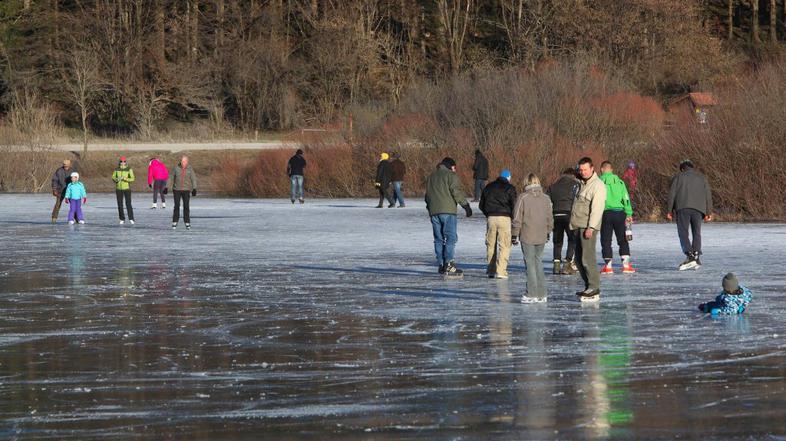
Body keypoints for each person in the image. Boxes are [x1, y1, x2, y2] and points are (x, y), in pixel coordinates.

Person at [425, 157, 472, 275]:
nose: (455, 170)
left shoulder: (431, 177)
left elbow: (427, 195)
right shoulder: (450, 175)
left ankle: (441, 264)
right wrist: (465, 206)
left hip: (434, 212)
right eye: (454, 167)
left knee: (438, 239)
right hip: (448, 211)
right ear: (450, 166)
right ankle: (449, 264)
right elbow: (456, 191)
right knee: (450, 237)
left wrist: (430, 208)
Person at [569, 157, 607, 300]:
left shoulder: (597, 185)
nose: (583, 172)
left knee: (587, 258)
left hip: (588, 227)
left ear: (592, 168)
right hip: (577, 225)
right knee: (578, 259)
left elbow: (597, 209)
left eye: (585, 169)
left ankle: (594, 287)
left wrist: (591, 227)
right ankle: (588, 286)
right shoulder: (580, 184)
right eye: (581, 170)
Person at [512, 174, 553, 303]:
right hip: (541, 234)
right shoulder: (546, 198)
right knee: (538, 262)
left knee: (530, 264)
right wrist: (548, 231)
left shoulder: (523, 197)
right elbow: (549, 217)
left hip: (527, 234)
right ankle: (542, 293)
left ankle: (531, 293)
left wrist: (514, 234)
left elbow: (517, 217)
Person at [666, 159, 713, 270]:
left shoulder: (678, 177)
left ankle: (690, 255)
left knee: (683, 232)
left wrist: (669, 211)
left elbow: (672, 195)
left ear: (682, 168)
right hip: (698, 209)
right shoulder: (701, 178)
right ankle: (696, 255)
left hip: (683, 208)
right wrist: (708, 212)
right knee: (697, 232)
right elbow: (708, 195)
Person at [479, 169, 517, 279]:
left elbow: (481, 205)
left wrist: (488, 214)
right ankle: (501, 271)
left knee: (491, 245)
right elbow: (514, 205)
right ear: (508, 178)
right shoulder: (510, 188)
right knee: (504, 245)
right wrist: (512, 217)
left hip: (491, 218)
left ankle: (491, 270)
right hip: (505, 218)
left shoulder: (488, 187)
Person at [599, 161, 635, 274]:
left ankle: (608, 266)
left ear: (601, 169)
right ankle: (626, 265)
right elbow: (626, 198)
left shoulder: (599, 182)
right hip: (620, 213)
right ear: (612, 169)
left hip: (605, 213)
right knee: (623, 239)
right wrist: (629, 213)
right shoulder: (620, 182)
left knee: (606, 240)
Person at [547, 167, 579, 275]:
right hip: (569, 214)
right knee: (572, 239)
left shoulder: (553, 186)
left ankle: (556, 265)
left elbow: (547, 201)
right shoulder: (575, 184)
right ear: (573, 175)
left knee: (557, 241)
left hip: (556, 214)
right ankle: (567, 264)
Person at [169, 156, 198, 230]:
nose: (183, 163)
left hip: (186, 190)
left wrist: (194, 188)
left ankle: (187, 222)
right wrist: (166, 187)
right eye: (182, 161)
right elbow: (171, 177)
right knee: (176, 206)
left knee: (186, 206)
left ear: (187, 162)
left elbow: (193, 178)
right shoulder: (176, 168)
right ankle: (175, 221)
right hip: (176, 190)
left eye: (184, 162)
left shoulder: (190, 169)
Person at [112, 156, 135, 225]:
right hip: (118, 189)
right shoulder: (116, 169)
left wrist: (126, 179)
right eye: (121, 161)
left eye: (124, 161)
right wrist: (117, 179)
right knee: (120, 205)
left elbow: (133, 178)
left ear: (126, 162)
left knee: (128, 204)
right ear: (119, 162)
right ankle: (122, 219)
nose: (123, 163)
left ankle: (131, 218)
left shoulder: (129, 169)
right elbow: (113, 177)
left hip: (127, 189)